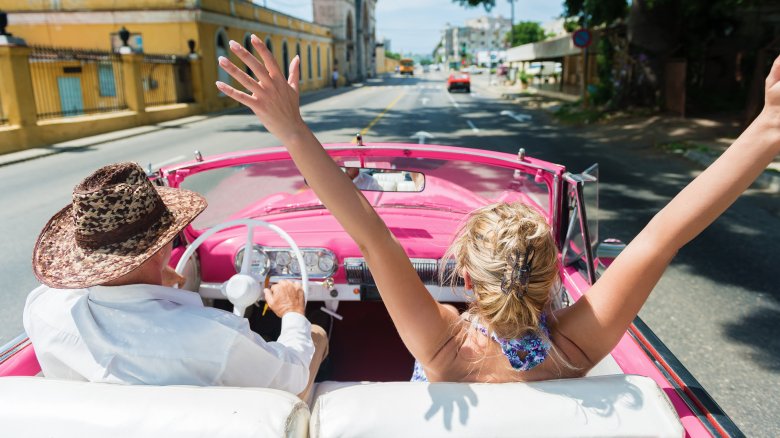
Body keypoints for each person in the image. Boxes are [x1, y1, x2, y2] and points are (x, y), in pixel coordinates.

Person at [216, 34, 780, 383]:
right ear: (555, 273)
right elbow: (664, 235)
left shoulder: (442, 348)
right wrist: (766, 130)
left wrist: (291, 127)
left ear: (462, 274)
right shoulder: (576, 348)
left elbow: (369, 236)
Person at [23, 162, 328, 400]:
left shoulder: (43, 309)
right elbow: (292, 376)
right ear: (166, 246)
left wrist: (147, 275)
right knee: (315, 334)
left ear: (85, 261)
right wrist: (292, 314)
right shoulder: (215, 337)